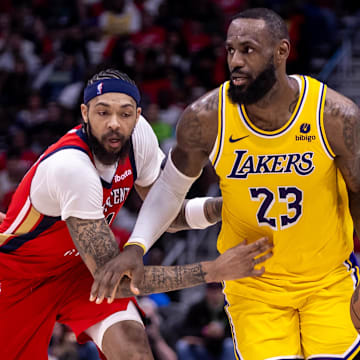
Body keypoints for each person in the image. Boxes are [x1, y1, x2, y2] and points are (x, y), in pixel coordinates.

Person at [93, 8, 360, 360]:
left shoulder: (333, 115)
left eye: (248, 49)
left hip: (326, 281)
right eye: (230, 50)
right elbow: (170, 189)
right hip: (254, 285)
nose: (236, 60)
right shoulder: (206, 118)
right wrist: (137, 245)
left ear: (282, 51)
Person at [0, 68, 273, 360]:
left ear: (137, 114)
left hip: (81, 270)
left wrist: (225, 207)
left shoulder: (138, 137)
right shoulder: (72, 168)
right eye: (102, 113)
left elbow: (168, 213)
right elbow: (117, 284)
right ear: (84, 113)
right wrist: (213, 271)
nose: (114, 124)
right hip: (22, 279)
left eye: (125, 114)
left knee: (135, 351)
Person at [176, 282, 235, 360]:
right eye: (212, 292)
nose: (215, 296)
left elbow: (240, 332)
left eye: (218, 292)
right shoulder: (197, 308)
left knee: (229, 344)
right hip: (203, 347)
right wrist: (204, 331)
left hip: (224, 347)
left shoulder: (231, 309)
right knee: (182, 345)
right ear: (206, 292)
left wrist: (222, 333)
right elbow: (184, 330)